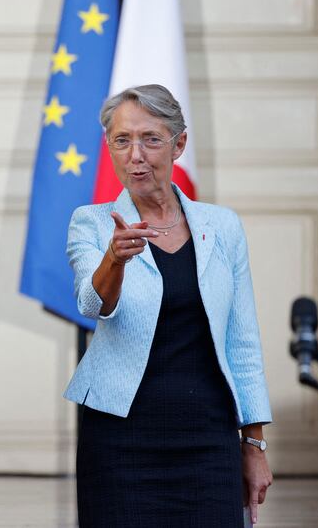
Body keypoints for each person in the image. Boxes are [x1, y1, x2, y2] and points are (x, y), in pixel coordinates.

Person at [64, 84, 273, 527]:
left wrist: (253, 445)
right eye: (122, 141)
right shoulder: (92, 222)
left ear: (179, 144)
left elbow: (243, 341)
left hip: (208, 439)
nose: (135, 154)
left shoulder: (222, 227)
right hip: (121, 440)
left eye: (150, 139)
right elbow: (90, 303)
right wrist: (113, 260)